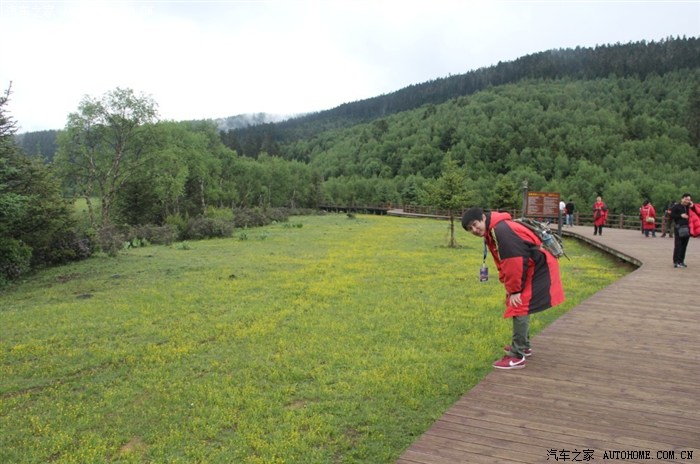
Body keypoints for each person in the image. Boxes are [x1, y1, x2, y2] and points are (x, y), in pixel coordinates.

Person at [461, 208, 565, 370]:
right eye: (470, 229)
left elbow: (514, 262)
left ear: (483, 218)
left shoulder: (502, 231)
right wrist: (509, 286)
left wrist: (515, 290)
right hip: (532, 264)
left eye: (475, 224)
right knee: (518, 303)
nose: (474, 230)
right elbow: (505, 261)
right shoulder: (494, 229)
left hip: (539, 266)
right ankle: (524, 346)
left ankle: (517, 356)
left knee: (519, 305)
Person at [670, 193, 694, 268]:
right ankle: (676, 261)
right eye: (686, 199)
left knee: (684, 245)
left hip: (687, 228)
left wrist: (692, 206)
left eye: (689, 200)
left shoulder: (689, 207)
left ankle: (681, 261)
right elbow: (671, 216)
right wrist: (680, 216)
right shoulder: (676, 207)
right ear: (682, 199)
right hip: (679, 227)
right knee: (678, 245)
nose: (687, 201)